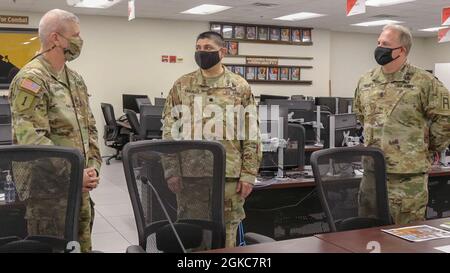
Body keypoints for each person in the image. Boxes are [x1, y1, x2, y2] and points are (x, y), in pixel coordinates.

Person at [9, 9, 101, 252]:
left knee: (81, 246)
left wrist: (92, 170)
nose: (80, 41)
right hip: (48, 195)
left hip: (80, 189)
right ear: (56, 38)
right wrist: (75, 174)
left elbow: (89, 127)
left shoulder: (75, 79)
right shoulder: (31, 80)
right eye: (76, 35)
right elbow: (32, 140)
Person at [162, 31, 261, 248]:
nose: (201, 52)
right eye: (198, 48)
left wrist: (249, 174)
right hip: (191, 175)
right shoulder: (182, 85)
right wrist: (172, 170)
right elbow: (169, 130)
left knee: (226, 239)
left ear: (222, 52)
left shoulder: (239, 86)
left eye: (207, 48)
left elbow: (251, 132)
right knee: (193, 235)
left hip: (228, 176)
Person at [354, 24, 450, 225]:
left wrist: (427, 148)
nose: (380, 47)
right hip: (372, 172)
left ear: (402, 50)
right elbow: (362, 116)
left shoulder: (425, 82)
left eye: (385, 44)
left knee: (405, 234)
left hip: (407, 176)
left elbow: (445, 119)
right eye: (379, 42)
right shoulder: (366, 80)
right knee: (365, 233)